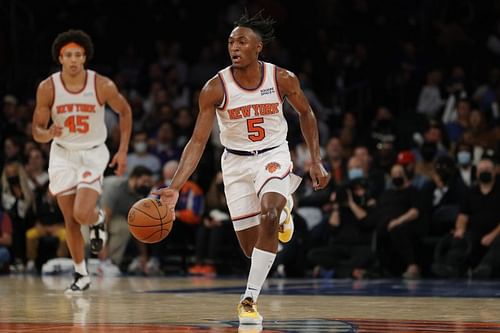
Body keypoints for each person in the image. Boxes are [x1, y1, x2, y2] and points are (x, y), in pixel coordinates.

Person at [153, 11, 329, 325]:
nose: (234, 46)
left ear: (258, 47)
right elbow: (197, 142)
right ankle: (281, 213)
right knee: (253, 248)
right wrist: (175, 186)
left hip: (272, 155)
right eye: (231, 41)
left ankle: (249, 299)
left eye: (242, 41)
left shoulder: (282, 78)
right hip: (235, 163)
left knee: (270, 213)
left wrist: (314, 159)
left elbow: (307, 114)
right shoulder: (214, 88)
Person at [32, 29, 132, 293]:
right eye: (68, 55)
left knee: (81, 212)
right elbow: (36, 130)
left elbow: (125, 111)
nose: (74, 59)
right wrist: (47, 133)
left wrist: (122, 151)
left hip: (92, 152)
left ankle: (97, 219)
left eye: (78, 54)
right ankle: (81, 274)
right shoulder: (47, 87)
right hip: (62, 153)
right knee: (70, 220)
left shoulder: (101, 85)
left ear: (85, 57)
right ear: (60, 58)